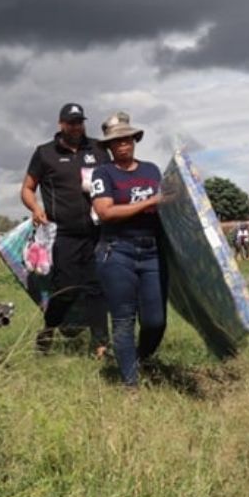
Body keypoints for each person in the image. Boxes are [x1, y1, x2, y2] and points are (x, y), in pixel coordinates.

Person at [21, 102, 108, 353]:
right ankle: (48, 329)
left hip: (96, 232)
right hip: (63, 235)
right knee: (67, 291)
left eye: (79, 122)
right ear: (61, 124)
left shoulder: (99, 150)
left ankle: (101, 345)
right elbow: (27, 188)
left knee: (97, 288)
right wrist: (35, 209)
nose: (76, 127)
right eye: (71, 122)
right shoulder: (45, 153)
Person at [89, 111, 166, 387]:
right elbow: (105, 212)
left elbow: (166, 206)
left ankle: (138, 359)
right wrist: (149, 203)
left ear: (134, 140)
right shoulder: (103, 173)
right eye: (117, 141)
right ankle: (131, 384)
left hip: (152, 252)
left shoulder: (152, 171)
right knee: (123, 320)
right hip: (116, 252)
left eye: (127, 139)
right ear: (109, 147)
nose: (123, 144)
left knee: (155, 321)